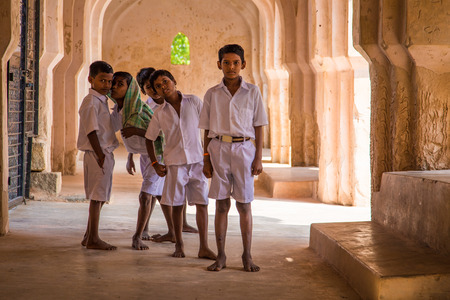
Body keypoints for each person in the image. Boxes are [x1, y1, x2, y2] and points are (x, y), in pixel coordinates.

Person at [199, 44, 268, 272]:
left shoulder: (253, 92)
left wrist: (258, 157)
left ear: (243, 64)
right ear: (219, 65)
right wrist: (206, 159)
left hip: (244, 151)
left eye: (236, 62)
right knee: (221, 204)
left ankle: (247, 256)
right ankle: (221, 256)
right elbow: (206, 130)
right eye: (226, 62)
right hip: (218, 148)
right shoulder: (212, 94)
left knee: (244, 204)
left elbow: (259, 126)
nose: (231, 67)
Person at [145, 69, 216, 260]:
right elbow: (149, 138)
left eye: (166, 82)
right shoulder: (159, 113)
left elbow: (208, 130)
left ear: (174, 81)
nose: (163, 87)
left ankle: (204, 247)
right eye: (158, 86)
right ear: (156, 91)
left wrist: (208, 157)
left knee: (202, 204)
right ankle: (179, 245)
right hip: (175, 164)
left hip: (197, 162)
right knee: (177, 205)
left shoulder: (193, 102)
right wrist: (154, 163)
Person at [135, 68, 198, 243]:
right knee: (151, 193)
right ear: (144, 89)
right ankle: (143, 232)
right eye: (150, 87)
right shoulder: (151, 108)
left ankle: (176, 228)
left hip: (176, 157)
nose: (156, 90)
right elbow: (148, 136)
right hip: (156, 157)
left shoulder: (184, 102)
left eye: (161, 84)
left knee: (168, 193)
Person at [109, 71, 165, 250]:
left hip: (157, 155)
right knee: (154, 195)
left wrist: (136, 131)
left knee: (146, 195)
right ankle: (171, 231)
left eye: (120, 84)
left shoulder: (139, 108)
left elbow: (159, 134)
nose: (115, 87)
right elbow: (117, 130)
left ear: (130, 88)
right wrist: (130, 155)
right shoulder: (120, 109)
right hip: (144, 155)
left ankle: (137, 236)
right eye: (113, 84)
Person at [78, 60, 118, 250]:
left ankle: (88, 235)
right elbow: (91, 131)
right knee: (97, 197)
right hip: (97, 154)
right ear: (91, 80)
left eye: (110, 82)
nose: (107, 86)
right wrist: (101, 155)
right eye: (102, 81)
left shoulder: (102, 101)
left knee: (100, 196)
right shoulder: (91, 102)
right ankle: (94, 238)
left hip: (103, 153)